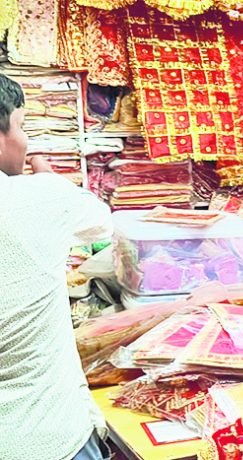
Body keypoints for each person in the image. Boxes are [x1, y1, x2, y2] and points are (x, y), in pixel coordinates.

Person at [0, 74, 114, 459]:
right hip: (49, 439)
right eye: (21, 126)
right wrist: (49, 182)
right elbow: (101, 223)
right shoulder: (39, 198)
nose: (24, 140)